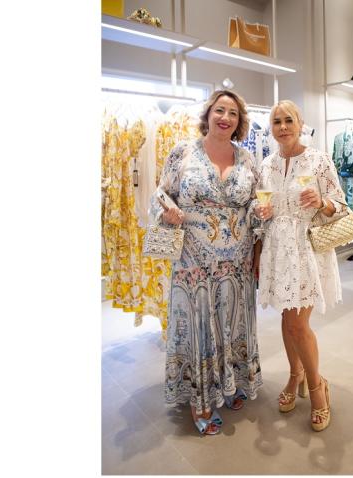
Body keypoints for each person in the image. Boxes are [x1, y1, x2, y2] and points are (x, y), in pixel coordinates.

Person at [150, 90, 262, 435]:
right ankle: (199, 398)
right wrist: (167, 212)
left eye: (233, 113)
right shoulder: (182, 152)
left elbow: (254, 204)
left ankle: (232, 382)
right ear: (208, 114)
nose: (225, 118)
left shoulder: (248, 159)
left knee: (233, 323)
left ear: (239, 122)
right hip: (193, 262)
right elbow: (161, 193)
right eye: (219, 110)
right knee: (200, 327)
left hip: (237, 263)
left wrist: (261, 215)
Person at [253, 100, 345, 431]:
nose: (282, 127)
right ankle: (296, 375)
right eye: (276, 121)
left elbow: (341, 204)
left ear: (300, 123)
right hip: (277, 251)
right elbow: (261, 207)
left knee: (297, 323)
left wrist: (322, 202)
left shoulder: (319, 160)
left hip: (306, 250)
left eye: (288, 120)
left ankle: (317, 387)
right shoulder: (266, 165)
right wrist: (261, 214)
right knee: (286, 316)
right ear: (271, 128)